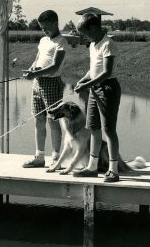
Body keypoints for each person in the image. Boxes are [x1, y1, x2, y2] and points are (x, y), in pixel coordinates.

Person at [73, 13, 121, 182]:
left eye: (85, 33)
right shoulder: (93, 44)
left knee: (108, 129)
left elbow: (106, 72)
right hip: (94, 87)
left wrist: (87, 85)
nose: (85, 37)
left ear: (93, 28)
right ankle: (92, 167)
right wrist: (84, 80)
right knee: (93, 127)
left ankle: (113, 170)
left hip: (108, 87)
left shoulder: (108, 43)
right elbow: (94, 68)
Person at [22, 10, 67, 169]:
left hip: (52, 83)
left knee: (53, 120)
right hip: (37, 83)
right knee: (38, 120)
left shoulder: (61, 41)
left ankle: (56, 158)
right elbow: (37, 59)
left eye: (46, 27)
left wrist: (36, 73)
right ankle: (39, 157)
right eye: (42, 28)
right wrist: (31, 70)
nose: (44, 31)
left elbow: (55, 67)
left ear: (55, 23)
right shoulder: (43, 40)